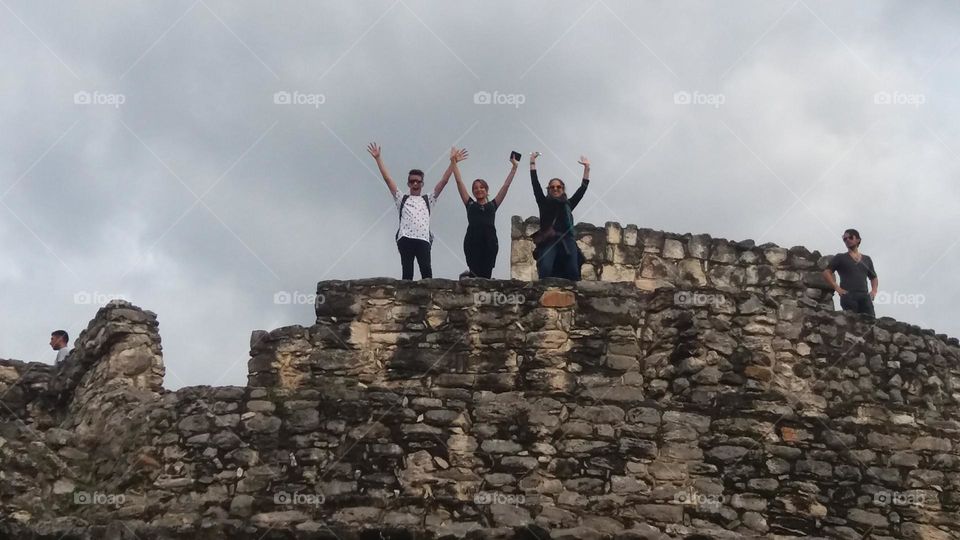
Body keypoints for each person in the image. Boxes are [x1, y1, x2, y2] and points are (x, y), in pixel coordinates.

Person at [367, 143, 466, 280]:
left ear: (422, 184)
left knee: (426, 271)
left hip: (423, 239)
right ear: (408, 183)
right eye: (412, 181)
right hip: (406, 238)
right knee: (407, 272)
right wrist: (378, 159)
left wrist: (453, 162)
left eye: (418, 182)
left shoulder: (428, 199)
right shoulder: (402, 198)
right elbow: (388, 179)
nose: (415, 184)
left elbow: (443, 181)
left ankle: (429, 299)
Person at [451, 151, 518, 278]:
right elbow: (459, 183)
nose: (478, 190)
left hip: (489, 242)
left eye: (482, 187)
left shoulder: (493, 205)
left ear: (487, 191)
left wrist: (514, 168)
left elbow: (506, 186)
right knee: (475, 271)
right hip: (472, 241)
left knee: (486, 274)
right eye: (475, 188)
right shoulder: (470, 204)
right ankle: (469, 275)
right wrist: (454, 162)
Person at [529, 151, 590, 280]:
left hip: (567, 240)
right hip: (549, 240)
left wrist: (587, 168)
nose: (555, 189)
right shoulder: (544, 203)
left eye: (558, 187)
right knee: (545, 269)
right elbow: (535, 184)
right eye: (552, 187)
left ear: (562, 189)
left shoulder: (567, 204)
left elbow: (582, 189)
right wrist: (532, 163)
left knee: (573, 271)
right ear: (548, 189)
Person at [822, 228, 878, 317]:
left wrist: (874, 291)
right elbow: (826, 272)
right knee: (852, 324)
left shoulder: (867, 259)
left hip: (864, 296)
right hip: (848, 295)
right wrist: (837, 288)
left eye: (850, 237)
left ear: (858, 240)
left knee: (870, 323)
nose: (847, 240)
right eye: (845, 239)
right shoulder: (840, 257)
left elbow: (873, 277)